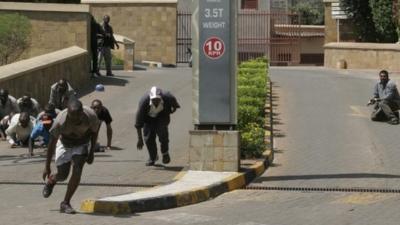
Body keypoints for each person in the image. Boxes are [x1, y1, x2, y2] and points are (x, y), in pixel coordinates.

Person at [42, 100, 99, 214]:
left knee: (77, 169)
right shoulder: (60, 121)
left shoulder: (91, 116)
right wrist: (47, 166)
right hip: (65, 144)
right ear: (67, 113)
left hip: (82, 143)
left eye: (77, 117)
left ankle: (65, 203)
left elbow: (94, 133)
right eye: (71, 117)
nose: (74, 120)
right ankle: (51, 181)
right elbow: (51, 144)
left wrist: (92, 151)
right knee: (63, 175)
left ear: (82, 112)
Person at [135, 86, 180, 166]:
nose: (156, 102)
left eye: (158, 99)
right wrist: (140, 139)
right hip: (148, 119)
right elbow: (138, 122)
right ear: (150, 98)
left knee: (163, 133)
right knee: (148, 138)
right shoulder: (143, 102)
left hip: (162, 116)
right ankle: (153, 157)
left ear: (161, 98)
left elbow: (175, 104)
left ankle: (165, 153)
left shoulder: (167, 97)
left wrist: (173, 110)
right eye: (153, 100)